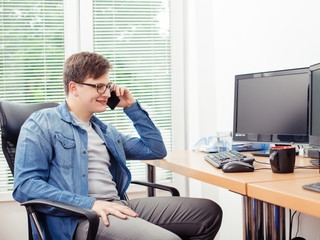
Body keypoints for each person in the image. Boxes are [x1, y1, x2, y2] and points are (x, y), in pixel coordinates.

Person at [13, 52, 222, 240]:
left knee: (208, 213)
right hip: (78, 218)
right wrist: (91, 204)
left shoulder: (105, 131)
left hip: (117, 205)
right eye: (98, 86)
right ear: (74, 88)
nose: (106, 93)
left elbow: (155, 149)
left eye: (108, 86)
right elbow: (25, 186)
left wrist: (132, 107)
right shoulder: (42, 123)